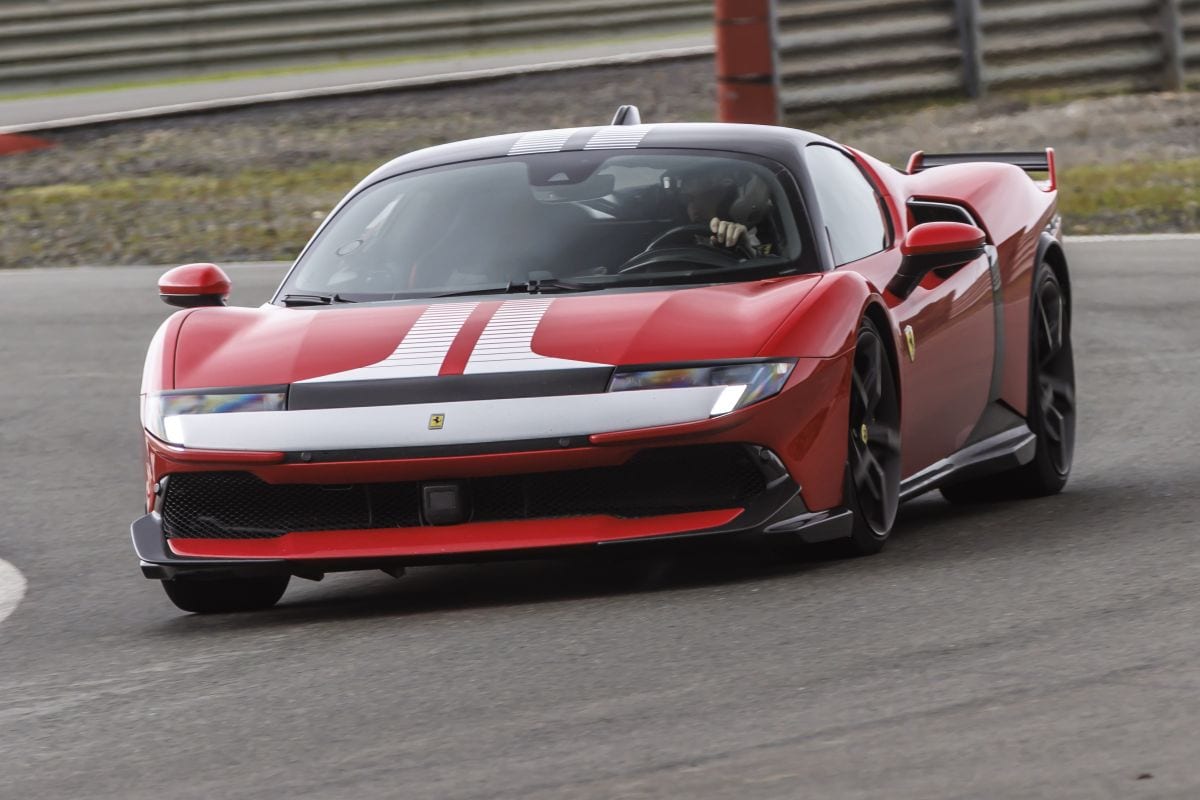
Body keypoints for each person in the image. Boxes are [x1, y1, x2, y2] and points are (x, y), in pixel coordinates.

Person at [672, 164, 776, 255]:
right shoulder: (677, 239)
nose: (692, 207)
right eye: (687, 200)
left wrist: (746, 250)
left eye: (701, 198)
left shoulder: (756, 236)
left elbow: (768, 262)